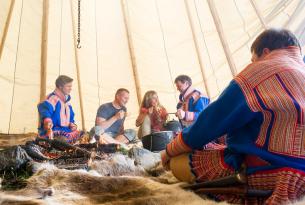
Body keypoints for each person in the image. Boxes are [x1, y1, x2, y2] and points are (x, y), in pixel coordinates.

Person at [161, 29, 305, 204]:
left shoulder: (259, 73)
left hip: (279, 174)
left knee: (177, 162)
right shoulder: (300, 69)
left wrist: (169, 151)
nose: (253, 63)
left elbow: (209, 122)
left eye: (254, 59)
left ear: (265, 52)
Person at [37, 75, 83, 144]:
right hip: (54, 130)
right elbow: (45, 110)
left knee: (83, 134)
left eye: (71, 86)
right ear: (60, 87)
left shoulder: (67, 103)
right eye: (68, 86)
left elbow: (71, 118)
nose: (70, 88)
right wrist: (47, 121)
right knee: (62, 140)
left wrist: (72, 124)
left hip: (66, 131)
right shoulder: (53, 98)